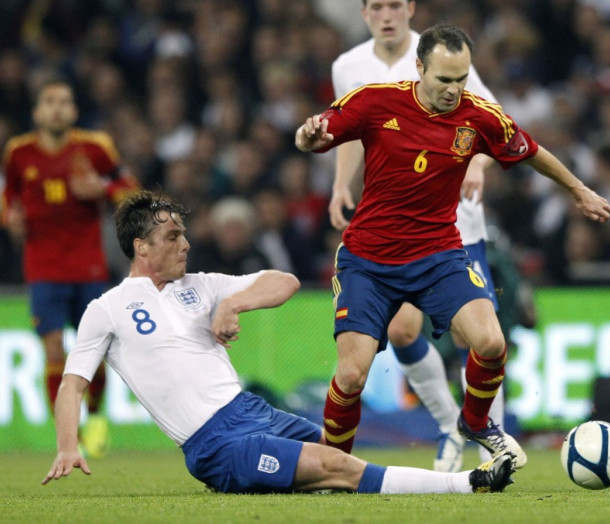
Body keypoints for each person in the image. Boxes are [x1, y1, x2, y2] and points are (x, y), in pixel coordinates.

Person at [40, 189, 516, 495]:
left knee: (339, 459)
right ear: (140, 247)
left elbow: (284, 280)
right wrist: (67, 446)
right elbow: (73, 384)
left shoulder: (202, 286)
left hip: (253, 413)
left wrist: (233, 304)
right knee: (337, 468)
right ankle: (468, 483)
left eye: (184, 234)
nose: (185, 244)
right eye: (172, 236)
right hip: (214, 441)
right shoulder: (107, 308)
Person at [295, 24, 610, 470]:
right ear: (420, 67)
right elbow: (317, 133)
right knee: (350, 375)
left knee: (491, 343)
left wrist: (578, 190)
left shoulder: (478, 116)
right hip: (369, 261)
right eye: (444, 79)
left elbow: (533, 151)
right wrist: (308, 139)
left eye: (461, 78)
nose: (453, 89)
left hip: (439, 255)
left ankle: (476, 422)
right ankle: (330, 467)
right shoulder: (374, 100)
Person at [329, 0, 504, 472]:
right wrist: (341, 185)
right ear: (364, 12)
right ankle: (451, 426)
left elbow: (491, 122)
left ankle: (492, 444)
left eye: (394, 5)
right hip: (398, 231)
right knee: (402, 329)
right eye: (376, 6)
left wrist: (480, 166)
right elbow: (353, 133)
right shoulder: (348, 66)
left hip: (457, 226)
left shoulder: (444, 56)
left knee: (483, 338)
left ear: (409, 9)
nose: (386, 15)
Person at [0, 77, 138, 458]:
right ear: (38, 112)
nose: (57, 108)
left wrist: (104, 191)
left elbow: (130, 189)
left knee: (92, 350)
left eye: (64, 101)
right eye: (50, 102)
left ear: (74, 111)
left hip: (87, 266)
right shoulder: (18, 152)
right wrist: (8, 214)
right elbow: (8, 193)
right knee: (53, 353)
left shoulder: (95, 148)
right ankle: (68, 433)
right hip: (42, 267)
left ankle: (95, 414)